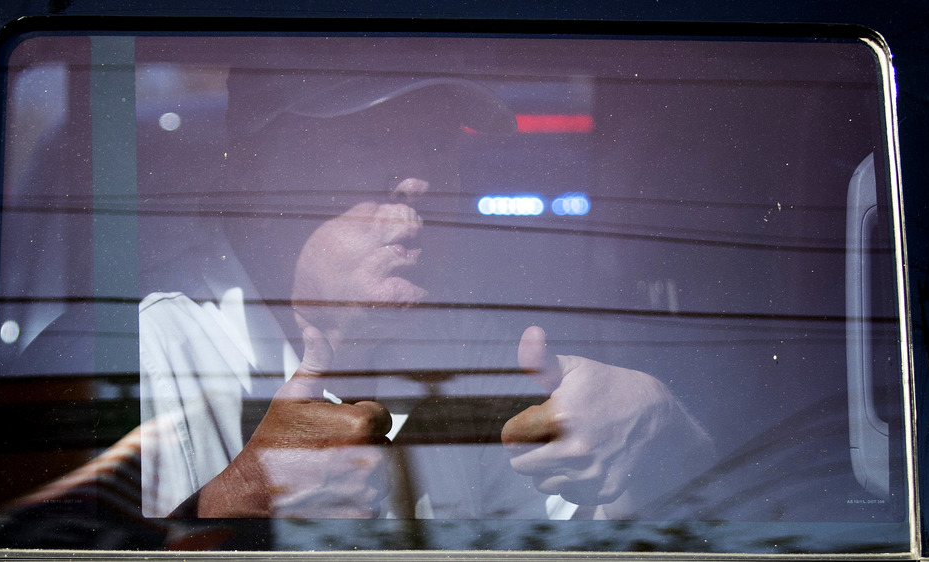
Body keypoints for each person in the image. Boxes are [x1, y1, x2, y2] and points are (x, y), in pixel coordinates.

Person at [138, 70, 714, 521]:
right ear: (252, 175)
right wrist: (241, 503)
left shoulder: (473, 350)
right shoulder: (142, 352)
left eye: (438, 147)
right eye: (369, 144)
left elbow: (590, 537)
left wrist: (661, 428)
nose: (419, 182)